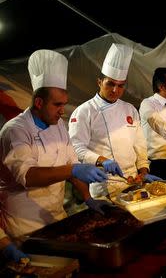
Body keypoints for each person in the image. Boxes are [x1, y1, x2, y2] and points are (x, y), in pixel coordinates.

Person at [0, 49, 108, 240]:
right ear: (39, 103)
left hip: (56, 217)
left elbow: (71, 163)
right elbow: (28, 175)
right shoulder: (15, 130)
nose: (62, 111)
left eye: (64, 104)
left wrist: (88, 197)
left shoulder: (57, 125)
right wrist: (73, 170)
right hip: (25, 225)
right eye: (57, 105)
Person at [69, 43, 158, 198]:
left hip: (133, 181)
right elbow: (77, 148)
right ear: (99, 82)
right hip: (104, 184)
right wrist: (102, 160)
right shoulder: (84, 111)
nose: (115, 90)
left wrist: (143, 171)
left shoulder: (130, 109)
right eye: (110, 83)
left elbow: (140, 146)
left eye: (120, 86)